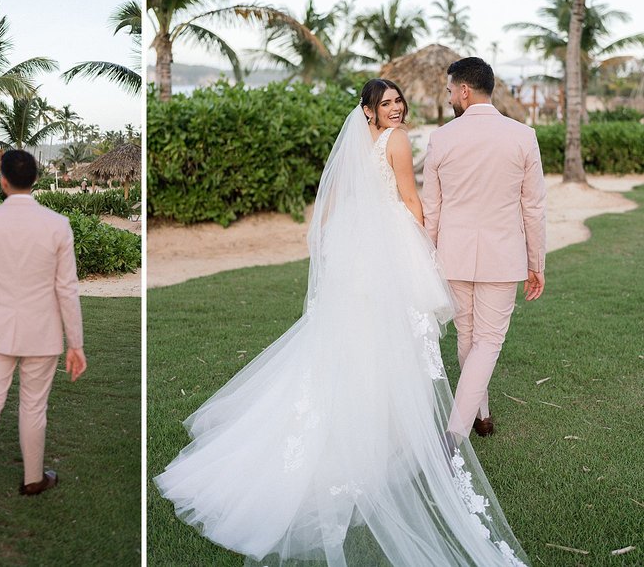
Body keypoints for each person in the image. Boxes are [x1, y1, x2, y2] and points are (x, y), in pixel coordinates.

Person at [155, 78, 530, 566]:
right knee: (390, 338)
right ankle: (388, 427)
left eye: (398, 101)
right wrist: (429, 247)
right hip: (390, 250)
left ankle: (375, 420)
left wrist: (335, 245)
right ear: (369, 110)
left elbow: (330, 208)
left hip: (358, 250)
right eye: (386, 103)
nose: (395, 109)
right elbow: (411, 200)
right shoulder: (395, 142)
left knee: (360, 339)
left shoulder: (357, 144)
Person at [0, 149, 87, 527]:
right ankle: (33, 480)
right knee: (33, 407)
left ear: (2, 179)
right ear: (36, 180)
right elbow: (67, 289)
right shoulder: (58, 223)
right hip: (42, 332)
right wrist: (75, 342)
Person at [423, 57, 546, 440]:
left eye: (449, 92)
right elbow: (534, 206)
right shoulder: (523, 136)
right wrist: (536, 262)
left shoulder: (441, 137)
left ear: (463, 90)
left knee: (469, 338)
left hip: (452, 254)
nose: (449, 99)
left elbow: (432, 209)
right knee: (487, 341)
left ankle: (481, 412)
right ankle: (455, 435)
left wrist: (428, 257)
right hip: (502, 255)